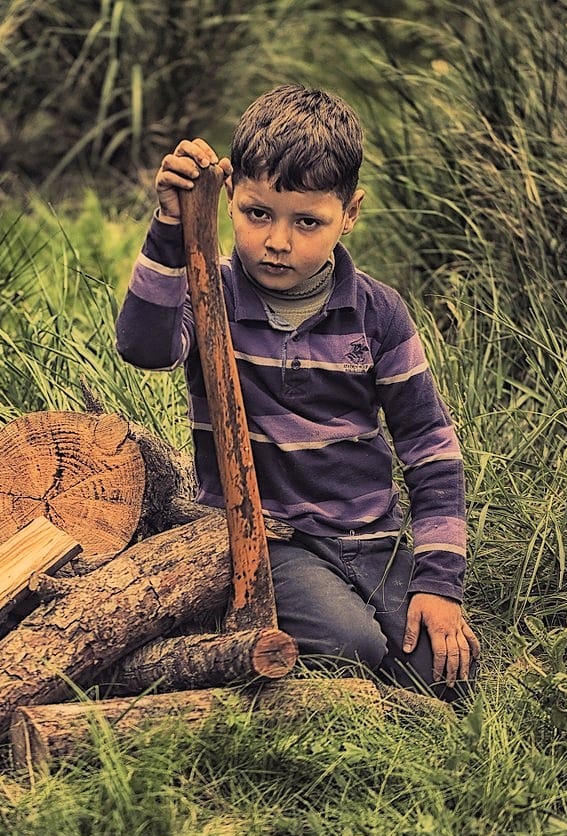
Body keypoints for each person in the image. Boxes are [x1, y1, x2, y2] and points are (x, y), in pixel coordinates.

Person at [115, 83, 480, 700]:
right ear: (230, 197)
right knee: (352, 647)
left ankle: (378, 649)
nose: (278, 241)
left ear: (351, 213)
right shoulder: (215, 296)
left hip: (372, 538)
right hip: (267, 541)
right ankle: (241, 627)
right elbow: (144, 347)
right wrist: (172, 230)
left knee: (442, 674)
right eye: (259, 213)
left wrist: (439, 583)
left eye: (307, 221)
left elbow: (430, 447)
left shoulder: (376, 313)